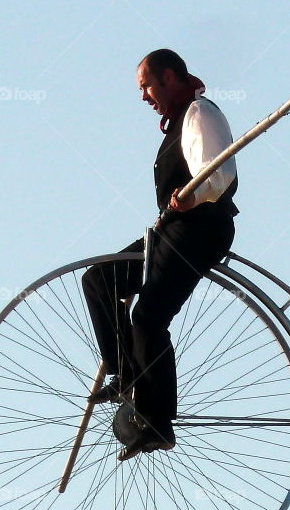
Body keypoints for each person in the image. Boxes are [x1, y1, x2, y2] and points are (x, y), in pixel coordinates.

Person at [82, 49, 239, 461]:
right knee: (100, 279)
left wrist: (193, 199)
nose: (144, 96)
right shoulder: (177, 121)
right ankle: (126, 372)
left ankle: (157, 422)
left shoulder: (200, 114)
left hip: (201, 228)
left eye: (147, 86)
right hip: (171, 229)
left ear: (169, 77)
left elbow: (218, 174)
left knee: (149, 318)